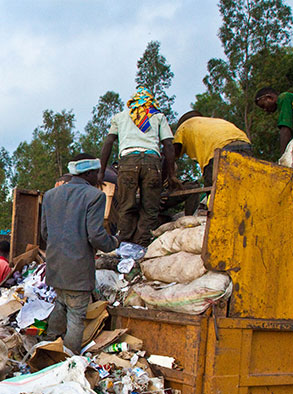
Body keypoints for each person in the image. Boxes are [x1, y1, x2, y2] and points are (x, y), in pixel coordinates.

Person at [42, 154, 119, 355]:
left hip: (55, 266)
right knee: (76, 314)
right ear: (91, 173)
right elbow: (95, 235)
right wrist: (114, 242)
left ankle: (48, 342)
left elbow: (45, 233)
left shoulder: (51, 195)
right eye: (97, 173)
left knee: (61, 302)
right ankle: (68, 358)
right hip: (77, 269)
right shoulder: (94, 196)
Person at [99, 87, 176, 245]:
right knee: (150, 208)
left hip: (128, 162)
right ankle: (142, 245)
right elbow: (168, 145)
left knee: (126, 206)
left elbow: (108, 142)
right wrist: (171, 174)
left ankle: (124, 243)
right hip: (152, 163)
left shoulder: (120, 117)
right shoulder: (157, 116)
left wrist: (101, 171)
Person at [173, 110, 253, 187]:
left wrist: (169, 178)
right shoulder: (213, 122)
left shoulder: (183, 127)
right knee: (244, 185)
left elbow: (171, 154)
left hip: (220, 149)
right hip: (245, 144)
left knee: (213, 190)